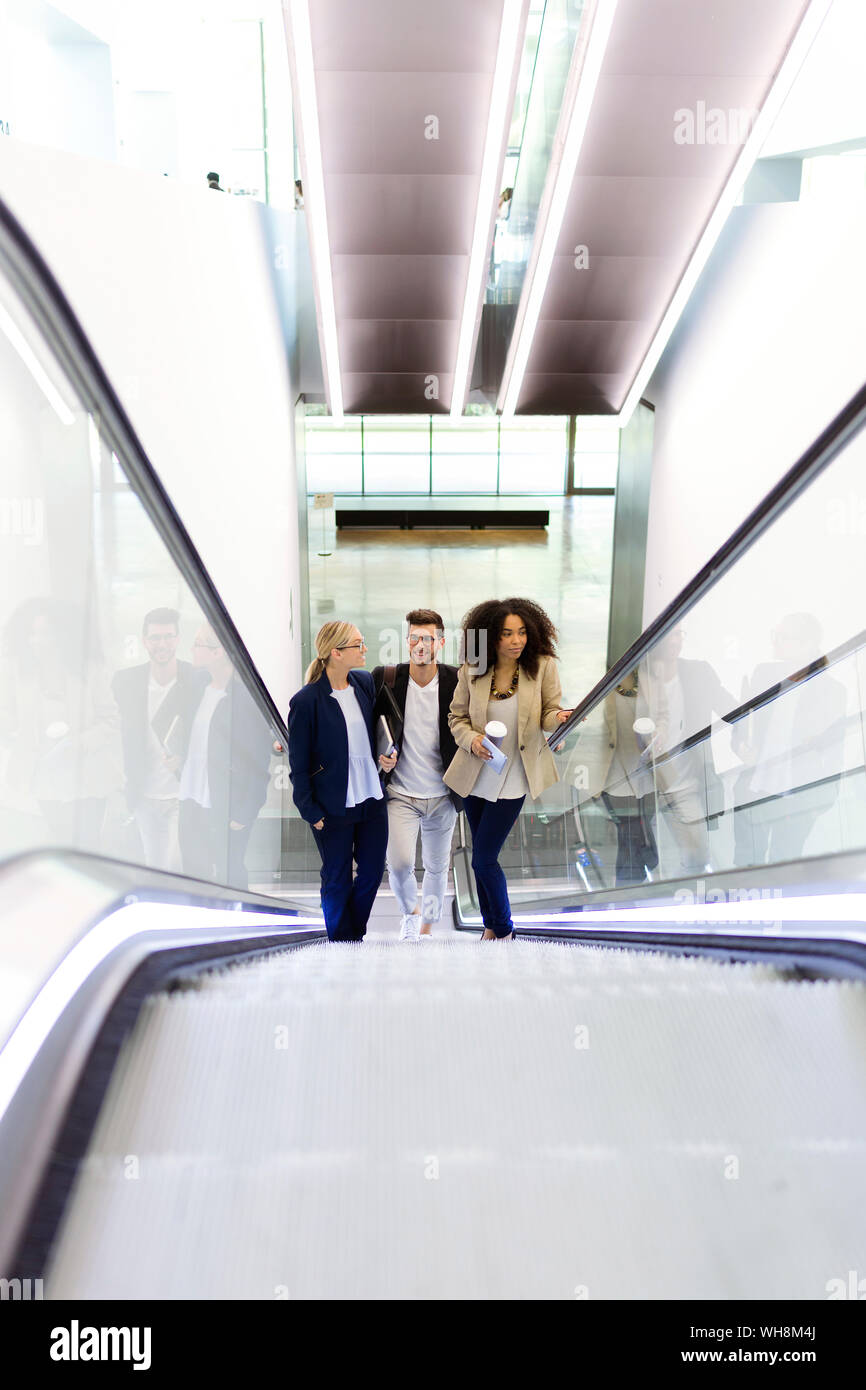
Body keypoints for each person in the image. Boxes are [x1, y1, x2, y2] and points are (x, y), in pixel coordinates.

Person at [444, 598, 572, 940]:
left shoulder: (542, 666)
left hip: (515, 775)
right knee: (478, 858)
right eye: (507, 634)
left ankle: (503, 929)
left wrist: (558, 718)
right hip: (476, 774)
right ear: (490, 637)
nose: (517, 641)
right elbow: (456, 717)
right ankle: (490, 925)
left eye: (522, 633)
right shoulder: (473, 668)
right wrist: (471, 739)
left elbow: (547, 713)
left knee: (483, 858)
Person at [288, 621, 395, 941]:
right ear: (336, 653)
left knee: (373, 872)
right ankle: (341, 940)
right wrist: (310, 811)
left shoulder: (363, 682)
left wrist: (386, 755)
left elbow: (374, 732)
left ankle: (352, 935)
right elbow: (299, 764)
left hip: (371, 796)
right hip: (332, 803)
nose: (364, 650)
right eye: (358, 645)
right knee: (336, 878)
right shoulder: (306, 701)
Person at [372, 608, 461, 942]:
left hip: (443, 794)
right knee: (398, 863)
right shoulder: (388, 676)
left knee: (438, 868)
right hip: (400, 793)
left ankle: (427, 926)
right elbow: (371, 729)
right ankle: (410, 914)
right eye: (414, 637)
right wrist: (380, 759)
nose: (420, 644)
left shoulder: (456, 679)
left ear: (440, 641)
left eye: (427, 638)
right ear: (407, 639)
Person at [112, 607, 208, 872]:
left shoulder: (196, 679)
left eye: (168, 636)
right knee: (154, 867)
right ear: (144, 641)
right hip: (144, 793)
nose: (162, 644)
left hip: (181, 792)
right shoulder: (126, 682)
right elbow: (117, 733)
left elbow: (208, 733)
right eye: (155, 638)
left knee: (176, 864)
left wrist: (184, 758)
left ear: (177, 640)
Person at [177, 623, 272, 888]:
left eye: (198, 644)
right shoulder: (197, 686)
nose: (192, 650)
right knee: (194, 872)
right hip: (191, 797)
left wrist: (245, 811)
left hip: (227, 803)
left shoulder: (245, 698)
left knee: (230, 873)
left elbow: (257, 760)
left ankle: (238, 924)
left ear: (218, 652)